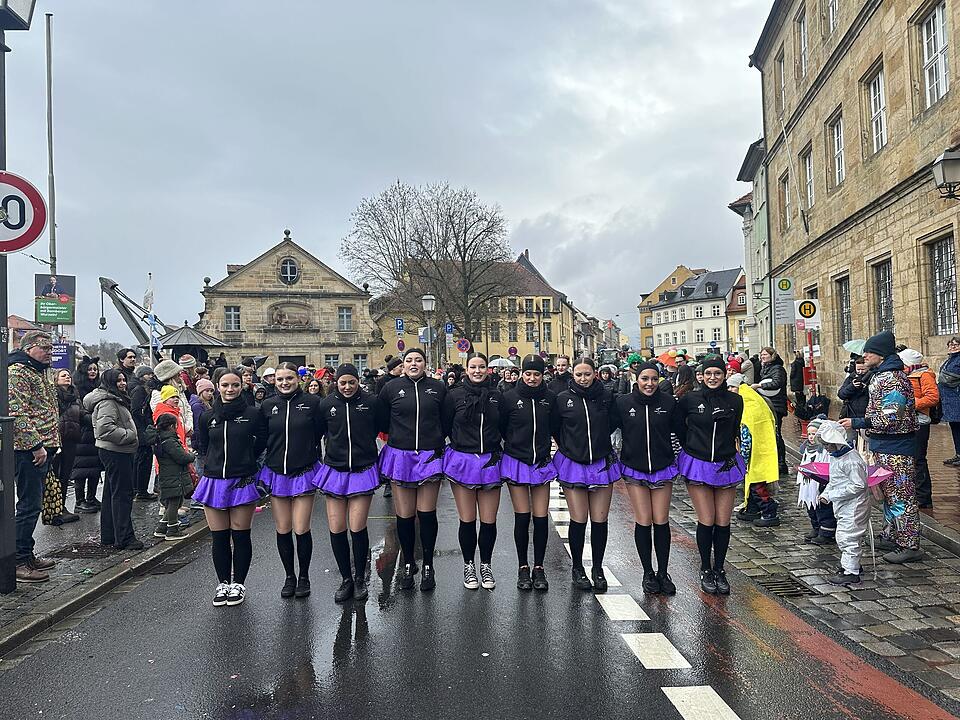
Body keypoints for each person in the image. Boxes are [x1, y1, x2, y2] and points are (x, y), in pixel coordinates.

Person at [839, 330, 921, 564]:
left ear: (881, 354)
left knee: (901, 496)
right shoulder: (881, 375)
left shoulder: (892, 379)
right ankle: (893, 534)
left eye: (868, 351)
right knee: (888, 495)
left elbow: (892, 418)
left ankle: (909, 544)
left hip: (897, 447)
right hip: (884, 445)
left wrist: (858, 422)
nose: (864, 355)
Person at [193, 370, 268, 606]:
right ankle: (223, 583)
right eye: (225, 385)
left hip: (242, 479)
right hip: (214, 481)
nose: (230, 389)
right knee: (219, 537)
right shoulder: (207, 416)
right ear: (217, 386)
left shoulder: (253, 414)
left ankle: (239, 584)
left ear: (240, 387)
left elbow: (262, 441)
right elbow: (203, 445)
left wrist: (248, 461)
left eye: (235, 385)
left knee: (240, 534)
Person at [377, 348, 447, 591]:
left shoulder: (438, 388)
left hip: (429, 454)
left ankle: (428, 564)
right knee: (404, 516)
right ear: (403, 365)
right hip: (401, 455)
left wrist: (436, 440)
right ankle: (408, 563)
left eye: (418, 360)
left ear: (425, 363)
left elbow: (445, 419)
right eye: (409, 360)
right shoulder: (391, 388)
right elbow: (382, 419)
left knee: (426, 514)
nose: (413, 363)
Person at [676, 356, 745, 595]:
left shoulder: (736, 400)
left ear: (724, 375)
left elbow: (735, 428)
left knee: (722, 521)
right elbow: (679, 428)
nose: (713, 377)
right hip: (698, 462)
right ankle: (705, 568)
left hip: (725, 463)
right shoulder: (689, 400)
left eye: (717, 373)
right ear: (701, 376)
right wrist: (693, 447)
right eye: (708, 374)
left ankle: (719, 569)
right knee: (707, 519)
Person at [316, 364, 384, 602]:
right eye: (343, 383)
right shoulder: (326, 405)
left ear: (357, 382)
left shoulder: (371, 402)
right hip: (335, 470)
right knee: (337, 528)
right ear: (336, 383)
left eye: (351, 383)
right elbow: (320, 433)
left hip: (362, 469)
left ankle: (359, 579)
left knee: (357, 528)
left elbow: (380, 428)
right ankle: (345, 579)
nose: (347, 387)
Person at [551, 357, 619, 592]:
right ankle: (578, 568)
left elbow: (613, 423)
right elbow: (556, 428)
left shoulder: (607, 397)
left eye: (587, 374)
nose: (583, 378)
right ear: (573, 375)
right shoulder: (562, 399)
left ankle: (598, 568)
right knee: (578, 519)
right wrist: (570, 448)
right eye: (579, 374)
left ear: (595, 374)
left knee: (599, 520)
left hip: (601, 462)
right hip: (574, 463)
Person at [258, 363, 324, 600]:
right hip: (277, 472)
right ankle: (289, 576)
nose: (284, 383)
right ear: (274, 381)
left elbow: (320, 432)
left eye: (289, 378)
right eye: (280, 379)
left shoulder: (312, 403)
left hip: (304, 470)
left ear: (298, 379)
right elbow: (263, 439)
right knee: (283, 528)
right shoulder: (267, 406)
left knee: (301, 527)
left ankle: (304, 575)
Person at [614, 361, 679, 595]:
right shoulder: (623, 403)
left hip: (662, 466)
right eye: (645, 379)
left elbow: (681, 431)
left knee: (661, 520)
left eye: (653, 379)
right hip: (635, 467)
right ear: (636, 379)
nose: (649, 383)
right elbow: (608, 428)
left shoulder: (669, 403)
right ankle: (648, 572)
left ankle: (663, 572)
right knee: (644, 520)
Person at [442, 353, 504, 590]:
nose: (477, 371)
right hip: (463, 461)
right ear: (466, 369)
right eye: (473, 367)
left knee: (488, 520)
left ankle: (486, 565)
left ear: (488, 369)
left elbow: (505, 426)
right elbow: (447, 424)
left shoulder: (498, 396)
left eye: (482, 367)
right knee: (467, 520)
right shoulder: (454, 395)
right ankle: (469, 565)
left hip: (490, 460)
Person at [499, 355, 556, 592]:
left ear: (543, 375)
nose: (532, 378)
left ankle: (539, 567)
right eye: (528, 373)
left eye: (537, 374)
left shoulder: (550, 399)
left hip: (541, 462)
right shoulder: (509, 398)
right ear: (521, 373)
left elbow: (556, 427)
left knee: (541, 518)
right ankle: (523, 567)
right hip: (517, 461)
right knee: (522, 517)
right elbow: (502, 427)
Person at [8, 331, 61, 583]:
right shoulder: (18, 372)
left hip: (44, 447)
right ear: (29, 348)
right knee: (28, 506)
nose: (50, 352)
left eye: (51, 348)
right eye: (45, 348)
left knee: (34, 504)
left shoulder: (39, 371)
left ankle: (27, 554)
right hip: (28, 451)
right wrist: (36, 445)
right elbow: (16, 412)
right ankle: (17, 561)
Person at [86, 369, 143, 551]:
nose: (122, 383)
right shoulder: (108, 402)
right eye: (118, 380)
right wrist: (130, 435)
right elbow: (104, 429)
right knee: (122, 495)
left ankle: (110, 536)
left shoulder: (115, 398)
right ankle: (124, 537)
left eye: (123, 379)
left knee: (112, 493)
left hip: (117, 450)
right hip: (116, 451)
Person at [812, 420, 871, 586]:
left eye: (827, 444)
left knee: (848, 536)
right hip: (844, 504)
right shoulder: (837, 458)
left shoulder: (851, 461)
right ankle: (850, 565)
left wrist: (832, 496)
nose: (825, 448)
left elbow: (858, 485)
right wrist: (826, 494)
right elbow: (834, 481)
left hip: (854, 505)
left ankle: (850, 571)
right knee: (845, 534)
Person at [728, 375, 780, 527]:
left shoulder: (748, 406)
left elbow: (746, 436)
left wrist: (743, 458)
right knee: (752, 483)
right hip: (761, 451)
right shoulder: (753, 401)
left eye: (733, 387)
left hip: (756, 453)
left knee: (757, 485)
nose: (731, 390)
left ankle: (769, 512)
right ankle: (752, 509)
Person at [899, 348, 938, 509]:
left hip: (920, 422)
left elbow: (932, 397)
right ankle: (913, 493)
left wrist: (911, 403)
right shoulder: (906, 375)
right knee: (910, 459)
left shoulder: (924, 375)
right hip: (907, 421)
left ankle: (923, 497)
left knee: (918, 459)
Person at [152, 413, 195, 541]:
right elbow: (181, 457)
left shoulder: (160, 439)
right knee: (174, 503)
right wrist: (191, 455)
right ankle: (172, 530)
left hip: (168, 475)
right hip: (174, 476)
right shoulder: (169, 441)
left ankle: (161, 528)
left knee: (173, 502)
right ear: (172, 426)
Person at [796, 417, 836, 545]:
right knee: (810, 506)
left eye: (814, 434)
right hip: (808, 482)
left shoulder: (824, 450)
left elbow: (826, 466)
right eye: (809, 434)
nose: (811, 437)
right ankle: (816, 527)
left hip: (820, 481)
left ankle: (826, 532)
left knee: (822, 508)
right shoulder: (807, 448)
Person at [71, 357, 104, 513]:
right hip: (83, 433)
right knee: (81, 469)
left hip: (95, 433)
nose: (92, 372)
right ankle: (80, 500)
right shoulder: (76, 388)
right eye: (90, 369)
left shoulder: (98, 387)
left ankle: (91, 497)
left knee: (94, 468)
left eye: (95, 369)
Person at [52, 369, 82, 523]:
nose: (67, 378)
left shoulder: (75, 396)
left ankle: (62, 506)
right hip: (56, 441)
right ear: (56, 379)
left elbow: (81, 414)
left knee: (65, 475)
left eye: (69, 375)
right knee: (55, 477)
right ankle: (53, 509)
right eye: (63, 376)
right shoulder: (52, 395)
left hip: (71, 440)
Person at [752, 347, 788, 476]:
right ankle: (775, 462)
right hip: (769, 403)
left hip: (776, 405)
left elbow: (777, 383)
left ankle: (781, 463)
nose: (762, 356)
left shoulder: (777, 368)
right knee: (772, 434)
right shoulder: (766, 368)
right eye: (761, 354)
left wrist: (760, 386)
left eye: (765, 354)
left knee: (776, 434)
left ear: (772, 355)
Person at [129, 365, 157, 501]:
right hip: (141, 430)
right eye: (148, 374)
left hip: (142, 428)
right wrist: (146, 424)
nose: (151, 376)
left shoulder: (142, 389)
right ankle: (140, 490)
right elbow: (136, 410)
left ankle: (141, 489)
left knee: (144, 460)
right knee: (142, 460)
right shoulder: (139, 390)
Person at [938, 336, 960, 466]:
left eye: (956, 344)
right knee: (955, 427)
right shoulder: (949, 360)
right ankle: (958, 453)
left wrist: (942, 379)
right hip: (949, 400)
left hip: (956, 397)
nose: (953, 346)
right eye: (951, 345)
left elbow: (949, 377)